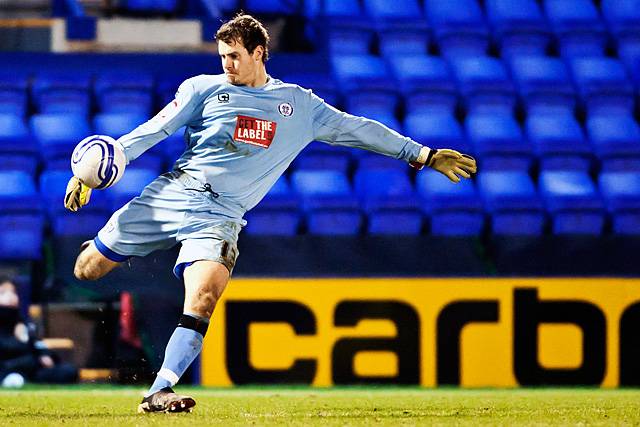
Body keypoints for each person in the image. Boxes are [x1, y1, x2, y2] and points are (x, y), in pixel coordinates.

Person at [64, 14, 477, 413]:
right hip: (172, 194)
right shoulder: (203, 89)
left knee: (204, 297)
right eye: (222, 55)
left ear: (259, 53)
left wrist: (422, 155)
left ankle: (160, 390)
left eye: (235, 55)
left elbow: (358, 128)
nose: (226, 64)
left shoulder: (298, 105)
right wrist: (93, 172)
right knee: (88, 270)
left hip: (220, 215)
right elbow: (154, 130)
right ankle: (99, 245)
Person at [0, 277, 78, 386]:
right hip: (8, 368)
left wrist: (44, 354)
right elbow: (7, 348)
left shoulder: (23, 322)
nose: (10, 296)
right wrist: (31, 355)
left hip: (31, 369)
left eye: (13, 292)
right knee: (14, 375)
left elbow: (37, 343)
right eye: (3, 293)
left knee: (68, 371)